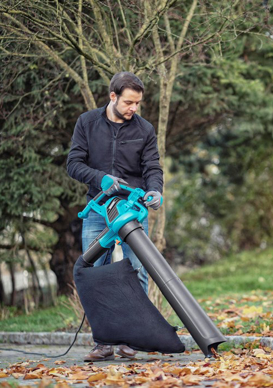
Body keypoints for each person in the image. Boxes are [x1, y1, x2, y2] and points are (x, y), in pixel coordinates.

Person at [67, 71, 163, 362]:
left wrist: (155, 190)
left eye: (138, 103)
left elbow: (152, 168)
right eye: (129, 102)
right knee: (97, 273)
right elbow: (73, 164)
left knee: (138, 271)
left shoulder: (144, 129)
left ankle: (132, 340)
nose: (134, 108)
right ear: (113, 96)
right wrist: (100, 178)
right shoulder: (87, 122)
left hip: (133, 210)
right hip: (98, 209)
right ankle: (104, 343)